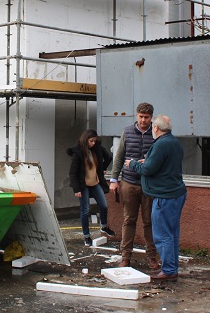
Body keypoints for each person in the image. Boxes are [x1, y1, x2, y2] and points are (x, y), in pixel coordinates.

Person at [125, 115, 186, 281]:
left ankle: (168, 270)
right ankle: (172, 268)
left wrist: (133, 164)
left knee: (162, 235)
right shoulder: (174, 142)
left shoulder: (161, 144)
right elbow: (165, 164)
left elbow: (149, 170)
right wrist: (149, 160)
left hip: (164, 197)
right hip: (176, 193)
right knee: (172, 233)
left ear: (156, 128)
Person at [108, 102, 160, 269]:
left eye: (146, 117)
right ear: (136, 115)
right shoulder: (128, 131)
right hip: (129, 182)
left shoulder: (156, 133)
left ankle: (152, 256)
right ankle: (125, 257)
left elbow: (161, 157)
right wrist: (114, 180)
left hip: (148, 184)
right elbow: (119, 156)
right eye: (141, 116)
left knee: (149, 221)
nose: (143, 120)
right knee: (128, 220)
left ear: (151, 118)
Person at [67, 129, 115, 246]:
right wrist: (76, 189)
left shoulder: (96, 149)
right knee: (85, 210)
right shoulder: (78, 153)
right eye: (91, 141)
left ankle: (103, 227)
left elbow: (108, 157)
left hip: (95, 183)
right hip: (83, 185)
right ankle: (86, 236)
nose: (93, 143)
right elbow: (72, 173)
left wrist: (102, 168)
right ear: (86, 140)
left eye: (95, 141)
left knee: (103, 205)